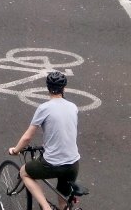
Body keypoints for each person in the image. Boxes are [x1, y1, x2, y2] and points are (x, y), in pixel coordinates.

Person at [7, 71, 80, 210]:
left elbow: (27, 137)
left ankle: (46, 208)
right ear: (64, 88)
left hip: (53, 163)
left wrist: (16, 150)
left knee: (24, 172)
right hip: (73, 163)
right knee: (63, 199)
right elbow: (63, 130)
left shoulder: (44, 108)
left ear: (47, 88)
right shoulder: (73, 107)